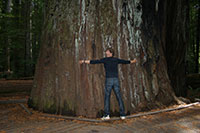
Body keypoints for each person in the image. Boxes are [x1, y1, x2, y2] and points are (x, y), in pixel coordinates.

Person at [79, 48, 136, 120]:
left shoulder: (106, 59)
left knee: (107, 97)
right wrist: (132, 61)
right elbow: (125, 61)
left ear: (111, 53)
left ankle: (107, 115)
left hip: (109, 80)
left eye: (107, 51)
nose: (106, 52)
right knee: (118, 96)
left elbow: (94, 62)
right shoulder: (115, 60)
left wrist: (83, 61)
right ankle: (122, 115)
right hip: (115, 80)